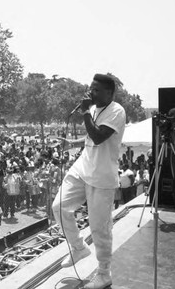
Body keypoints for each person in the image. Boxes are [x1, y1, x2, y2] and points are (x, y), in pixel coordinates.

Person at [52, 74, 126, 289]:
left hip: (101, 177)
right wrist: (71, 143)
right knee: (59, 207)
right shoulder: (93, 110)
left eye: (96, 90)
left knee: (99, 228)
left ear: (109, 93)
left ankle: (104, 273)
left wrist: (85, 112)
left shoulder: (116, 111)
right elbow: (88, 139)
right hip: (82, 168)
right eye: (90, 88)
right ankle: (78, 248)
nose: (90, 93)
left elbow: (99, 136)